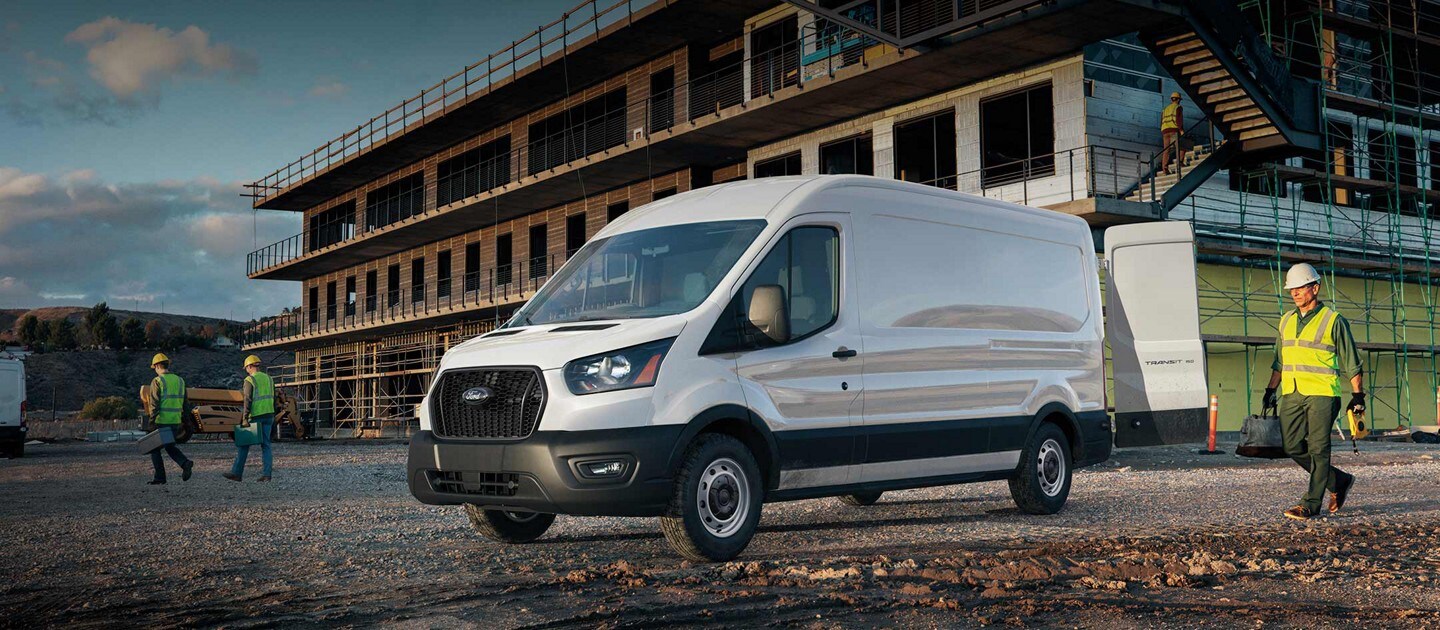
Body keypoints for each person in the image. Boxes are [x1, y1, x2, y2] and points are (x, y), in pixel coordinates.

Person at [1263, 263, 1362, 520]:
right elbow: (1280, 361)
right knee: (1292, 445)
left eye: (1300, 287)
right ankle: (1338, 481)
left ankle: (1310, 503)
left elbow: (1351, 361)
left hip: (1322, 394)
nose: (1295, 293)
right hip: (1293, 392)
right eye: (1292, 289)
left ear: (1315, 288)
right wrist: (1271, 389)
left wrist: (1358, 396)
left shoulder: (1333, 320)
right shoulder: (1285, 321)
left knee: (1319, 448)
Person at [225, 355, 274, 482]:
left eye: (246, 368)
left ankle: (237, 473)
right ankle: (267, 475)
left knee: (244, 445)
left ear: (250, 366)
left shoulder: (250, 379)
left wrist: (245, 417)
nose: (246, 370)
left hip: (256, 415)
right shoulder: (269, 378)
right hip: (269, 415)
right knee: (266, 445)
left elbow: (247, 400)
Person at [146, 353, 193, 485]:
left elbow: (154, 405)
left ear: (156, 366)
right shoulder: (180, 380)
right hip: (175, 421)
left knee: (154, 449)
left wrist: (151, 423)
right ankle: (185, 463)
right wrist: (186, 421)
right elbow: (185, 403)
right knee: (169, 446)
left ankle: (160, 477)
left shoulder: (157, 381)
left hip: (161, 422)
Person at [1159, 91, 1185, 174]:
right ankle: (1179, 162)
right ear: (1178, 100)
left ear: (1171, 99)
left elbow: (1161, 121)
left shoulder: (1165, 109)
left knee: (1166, 150)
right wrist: (1181, 130)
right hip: (1174, 130)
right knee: (1182, 146)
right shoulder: (1178, 107)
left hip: (1165, 131)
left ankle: (1164, 169)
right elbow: (1179, 119)